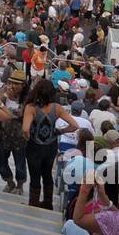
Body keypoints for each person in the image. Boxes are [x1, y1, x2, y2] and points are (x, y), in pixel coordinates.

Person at [21, 77, 81, 209]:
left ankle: (33, 203)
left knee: (35, 175)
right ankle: (48, 203)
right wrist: (59, 131)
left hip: (34, 146)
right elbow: (74, 125)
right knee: (47, 173)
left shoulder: (31, 108)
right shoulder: (57, 108)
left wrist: (27, 137)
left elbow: (25, 129)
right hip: (50, 146)